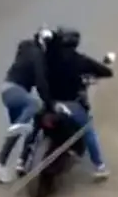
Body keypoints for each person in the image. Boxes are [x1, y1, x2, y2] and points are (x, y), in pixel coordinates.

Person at [45, 26, 113, 179]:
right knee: (88, 130)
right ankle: (100, 166)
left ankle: (23, 159)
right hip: (71, 105)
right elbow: (106, 71)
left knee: (35, 125)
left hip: (51, 102)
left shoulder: (50, 57)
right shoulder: (80, 60)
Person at [0, 27, 55, 183]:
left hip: (7, 91)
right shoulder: (37, 55)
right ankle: (18, 128)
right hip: (16, 91)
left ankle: (1, 164)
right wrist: (49, 102)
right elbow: (40, 82)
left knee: (16, 133)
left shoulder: (26, 48)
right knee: (36, 104)